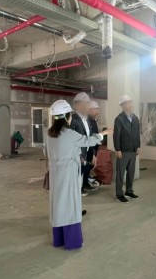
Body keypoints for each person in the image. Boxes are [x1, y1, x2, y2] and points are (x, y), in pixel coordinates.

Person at [46, 99, 111, 249]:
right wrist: (102, 134)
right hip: (68, 174)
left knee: (58, 204)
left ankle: (59, 239)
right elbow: (88, 141)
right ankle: (72, 242)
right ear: (67, 117)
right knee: (70, 205)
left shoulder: (50, 134)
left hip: (55, 173)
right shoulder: (69, 134)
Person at [113, 94, 141, 203]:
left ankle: (129, 191)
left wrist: (137, 146)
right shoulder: (119, 119)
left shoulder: (135, 118)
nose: (130, 104)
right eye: (127, 103)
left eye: (130, 102)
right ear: (122, 105)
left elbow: (137, 133)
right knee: (120, 174)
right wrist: (117, 149)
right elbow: (116, 135)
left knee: (131, 172)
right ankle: (119, 195)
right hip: (123, 150)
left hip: (133, 150)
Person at [69, 92, 94, 195]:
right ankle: (76, 191)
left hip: (86, 151)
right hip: (77, 153)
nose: (86, 106)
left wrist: (92, 153)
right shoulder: (72, 120)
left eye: (87, 103)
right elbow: (71, 139)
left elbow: (89, 136)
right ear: (77, 104)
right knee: (76, 174)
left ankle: (80, 188)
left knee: (82, 172)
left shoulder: (87, 119)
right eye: (83, 103)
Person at [86, 100, 101, 188]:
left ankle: (86, 182)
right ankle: (83, 185)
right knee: (87, 166)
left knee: (90, 166)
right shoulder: (87, 121)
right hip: (89, 149)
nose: (97, 111)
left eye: (98, 109)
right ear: (89, 110)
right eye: (95, 109)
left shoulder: (93, 121)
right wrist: (93, 153)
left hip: (93, 148)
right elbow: (90, 137)